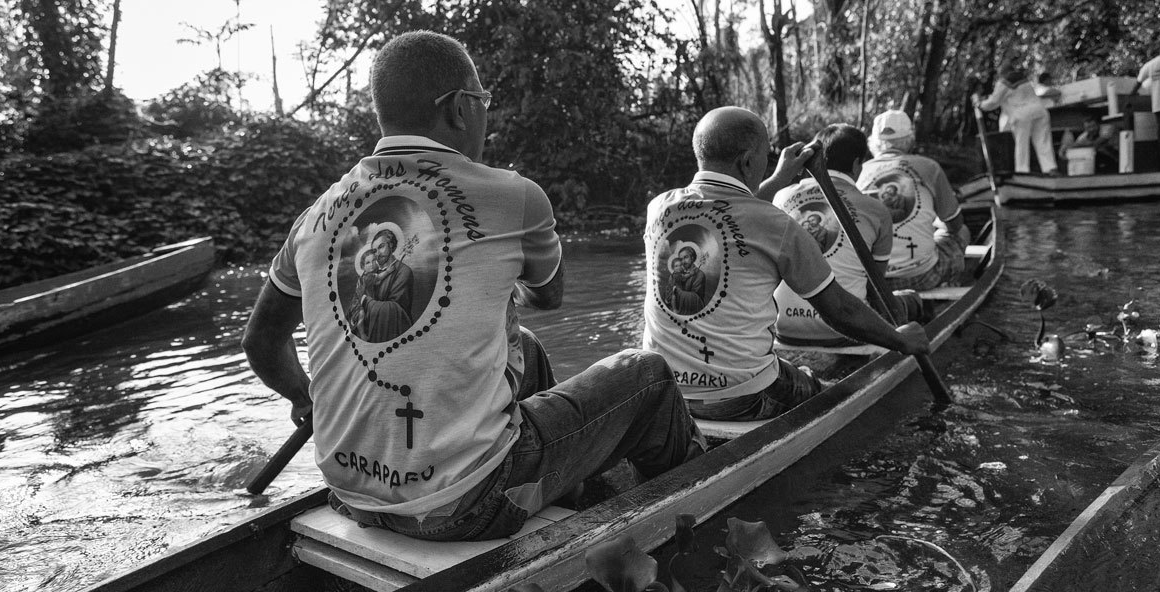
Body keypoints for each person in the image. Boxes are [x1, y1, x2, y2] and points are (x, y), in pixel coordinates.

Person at [242, 30, 705, 542]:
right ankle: (703, 512)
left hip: (349, 496)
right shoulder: (514, 197)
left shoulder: (314, 217)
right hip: (472, 502)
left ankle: (566, 486)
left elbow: (260, 343)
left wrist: (305, 396)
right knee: (647, 375)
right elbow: (547, 295)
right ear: (461, 108)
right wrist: (499, 283)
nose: (485, 113)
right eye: (482, 100)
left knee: (523, 348)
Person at [641, 106, 929, 423]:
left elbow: (729, 209)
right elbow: (840, 311)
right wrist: (901, 341)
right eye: (766, 155)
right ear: (748, 161)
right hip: (744, 397)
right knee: (814, 388)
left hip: (663, 393)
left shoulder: (659, 208)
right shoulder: (776, 224)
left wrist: (779, 179)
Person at [773, 124, 921, 345]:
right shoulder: (876, 209)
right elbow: (875, 289)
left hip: (782, 326)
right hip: (846, 331)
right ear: (856, 164)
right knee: (912, 300)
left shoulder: (781, 196)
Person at [857, 110, 970, 292]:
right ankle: (953, 281)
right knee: (962, 232)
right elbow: (955, 225)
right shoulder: (929, 167)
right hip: (921, 277)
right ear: (910, 139)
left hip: (872, 281)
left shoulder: (859, 172)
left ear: (873, 143)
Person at [972, 59, 1060, 175]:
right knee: (1043, 141)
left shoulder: (1003, 82)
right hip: (1040, 111)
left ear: (1002, 72)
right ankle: (1050, 168)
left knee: (1021, 144)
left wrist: (979, 104)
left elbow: (993, 102)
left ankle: (1022, 172)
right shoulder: (1024, 80)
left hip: (1022, 115)